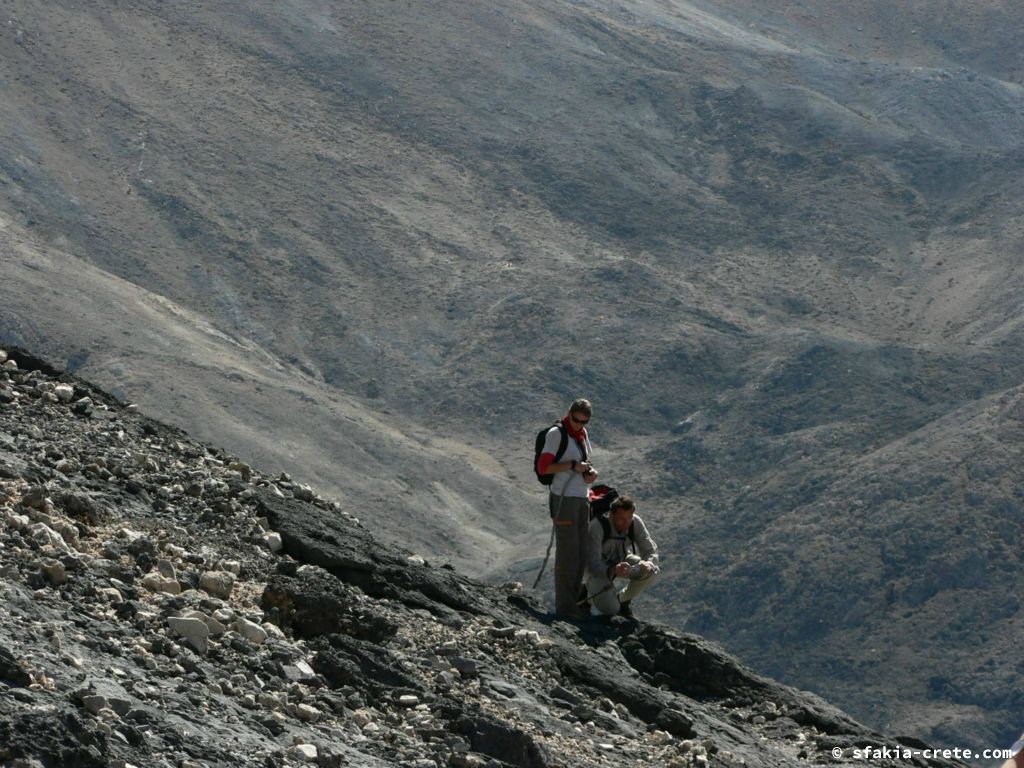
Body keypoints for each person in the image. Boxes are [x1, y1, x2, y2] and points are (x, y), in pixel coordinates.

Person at [536, 398, 598, 618]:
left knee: (580, 553)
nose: (579, 424)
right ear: (568, 413)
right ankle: (565, 608)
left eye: (584, 421)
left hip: (581, 498)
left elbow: (583, 462)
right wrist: (572, 466)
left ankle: (575, 604)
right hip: (564, 500)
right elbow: (544, 468)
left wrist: (588, 474)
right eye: (575, 419)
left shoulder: (581, 435)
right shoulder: (556, 434)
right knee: (567, 555)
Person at [584, 495, 660, 618]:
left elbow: (650, 550)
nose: (626, 523)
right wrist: (612, 570)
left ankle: (622, 600)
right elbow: (592, 562)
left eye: (629, 518)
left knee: (653, 572)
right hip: (597, 568)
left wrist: (648, 563)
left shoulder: (635, 522)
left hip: (622, 558)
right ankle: (586, 596)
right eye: (621, 519)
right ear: (612, 515)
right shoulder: (597, 526)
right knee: (611, 609)